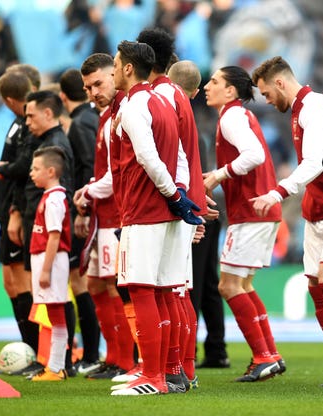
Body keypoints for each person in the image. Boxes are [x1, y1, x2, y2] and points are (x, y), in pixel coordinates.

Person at [251, 56, 323, 387]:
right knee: (315, 286)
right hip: (316, 208)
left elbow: (316, 161)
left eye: (267, 93)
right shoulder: (298, 111)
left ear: (280, 83)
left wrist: (278, 192)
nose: (267, 100)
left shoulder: (315, 107)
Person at [110, 40, 202, 396]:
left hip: (144, 209)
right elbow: (178, 155)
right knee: (165, 291)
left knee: (141, 290)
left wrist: (173, 194)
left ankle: (152, 376)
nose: (115, 70)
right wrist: (178, 193)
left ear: (129, 68)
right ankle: (167, 371)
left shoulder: (134, 106)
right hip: (164, 210)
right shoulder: (162, 101)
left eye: (116, 65)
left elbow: (149, 159)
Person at [137, 27, 209, 392]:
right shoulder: (177, 96)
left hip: (170, 204)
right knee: (177, 290)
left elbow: (173, 156)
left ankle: (171, 371)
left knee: (168, 290)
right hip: (184, 200)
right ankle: (183, 370)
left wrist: (183, 197)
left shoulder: (160, 97)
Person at [203, 65, 283, 382]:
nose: (207, 86)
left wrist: (218, 175)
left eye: (214, 81)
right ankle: (271, 355)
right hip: (258, 211)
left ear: (231, 91)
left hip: (251, 212)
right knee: (244, 285)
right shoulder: (239, 115)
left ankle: (263, 356)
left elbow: (254, 155)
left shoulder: (232, 117)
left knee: (228, 285)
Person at [74, 53, 136, 380]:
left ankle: (125, 360)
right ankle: (112, 356)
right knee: (97, 284)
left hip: (118, 216)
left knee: (114, 286)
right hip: (104, 215)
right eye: (87, 88)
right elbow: (104, 173)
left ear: (114, 75)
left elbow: (115, 175)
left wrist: (86, 193)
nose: (93, 92)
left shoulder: (123, 113)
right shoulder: (105, 117)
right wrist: (89, 199)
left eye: (98, 83)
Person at [168, 60, 230, 370]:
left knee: (190, 282)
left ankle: (186, 350)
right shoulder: (198, 124)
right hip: (206, 208)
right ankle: (216, 349)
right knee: (207, 283)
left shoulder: (175, 121)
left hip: (193, 210)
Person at [0, 68, 42, 375]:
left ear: (9, 99)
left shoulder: (27, 125)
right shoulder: (18, 124)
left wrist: (14, 211)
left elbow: (25, 170)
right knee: (11, 283)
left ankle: (37, 353)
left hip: (19, 211)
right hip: (8, 210)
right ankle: (31, 350)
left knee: (25, 283)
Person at [58, 67, 101, 375]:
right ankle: (98, 352)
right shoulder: (93, 119)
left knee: (85, 282)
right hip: (98, 208)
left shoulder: (81, 124)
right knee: (96, 282)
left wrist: (82, 210)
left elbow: (88, 166)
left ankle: (93, 352)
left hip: (91, 210)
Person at [28, 146, 72, 381]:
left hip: (51, 261)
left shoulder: (55, 200)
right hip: (45, 260)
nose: (31, 173)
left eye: (36, 169)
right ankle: (54, 367)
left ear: (51, 171)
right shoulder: (48, 197)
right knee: (54, 314)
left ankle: (56, 368)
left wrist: (45, 270)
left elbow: (54, 237)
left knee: (56, 315)